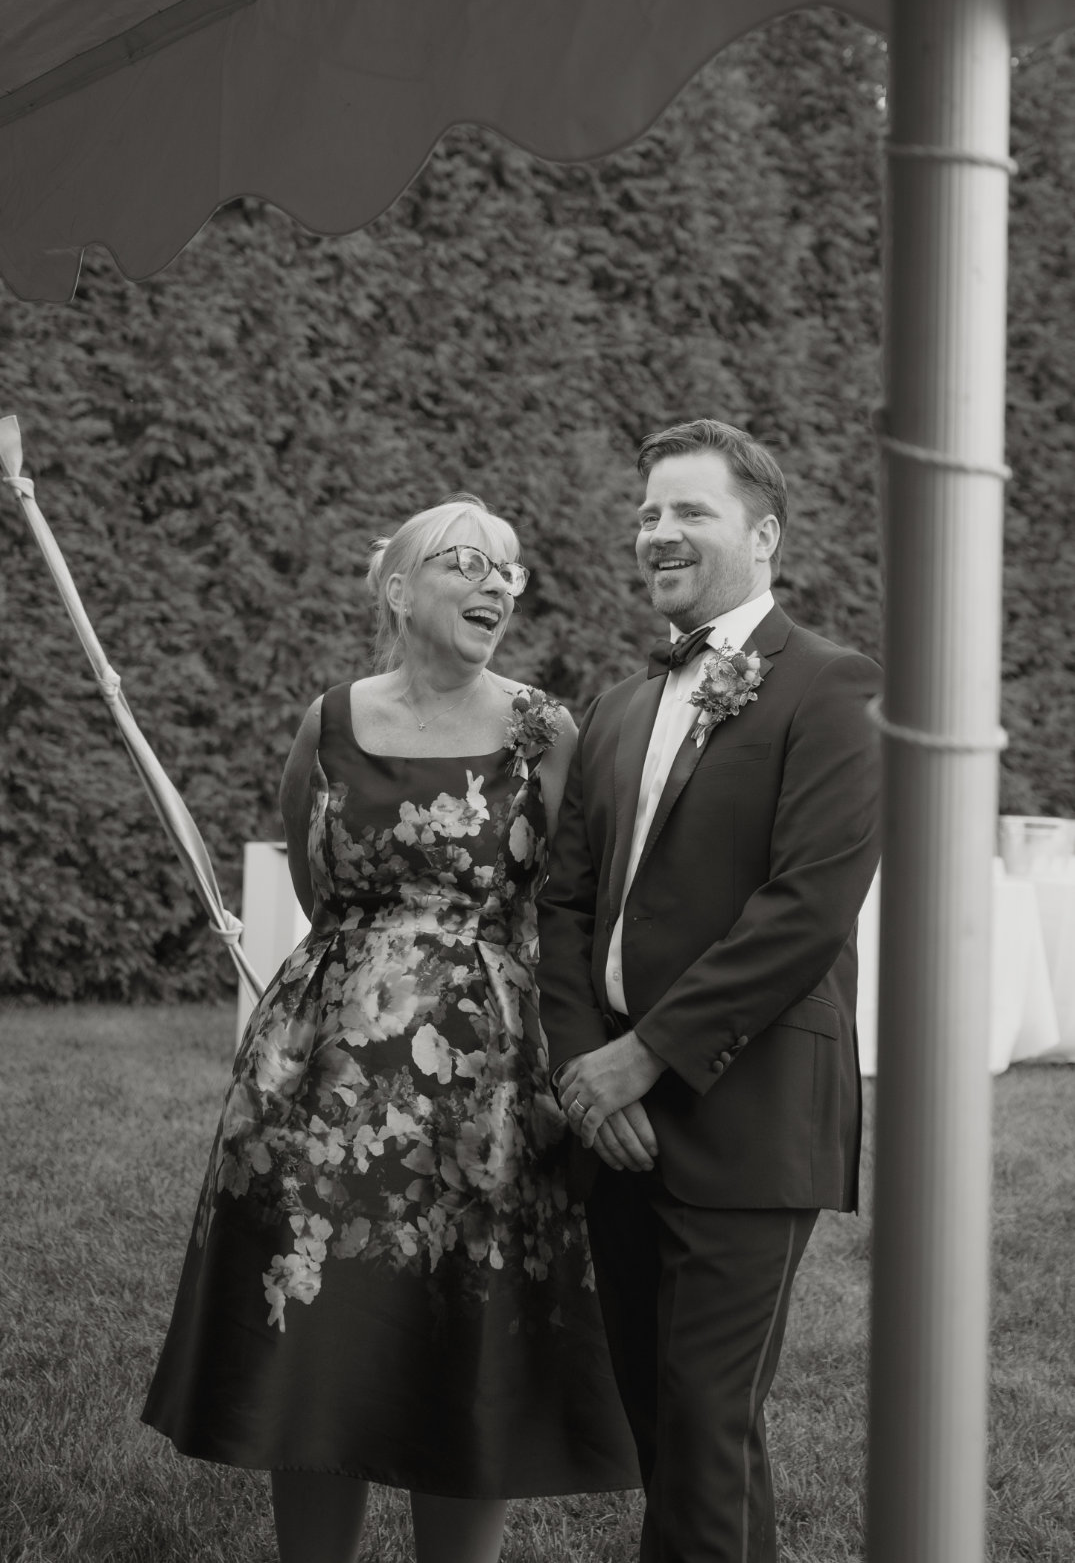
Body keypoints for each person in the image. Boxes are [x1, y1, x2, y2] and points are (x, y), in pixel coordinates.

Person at [143, 494, 639, 1563]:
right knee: (319, 1322)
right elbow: (317, 874)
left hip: (486, 1083)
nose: (498, 582)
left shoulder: (543, 729)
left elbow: (571, 904)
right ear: (399, 588)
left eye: (511, 567)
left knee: (465, 1327)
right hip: (318, 1076)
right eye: (469, 561)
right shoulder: (327, 720)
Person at [536, 419, 882, 1563]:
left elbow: (807, 904)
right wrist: (594, 1075)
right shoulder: (619, 706)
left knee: (700, 1413)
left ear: (763, 533)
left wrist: (649, 1055)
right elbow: (565, 904)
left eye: (689, 510)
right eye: (645, 512)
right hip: (615, 1111)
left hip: (750, 1104)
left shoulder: (833, 687)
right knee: (670, 1421)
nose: (658, 531)